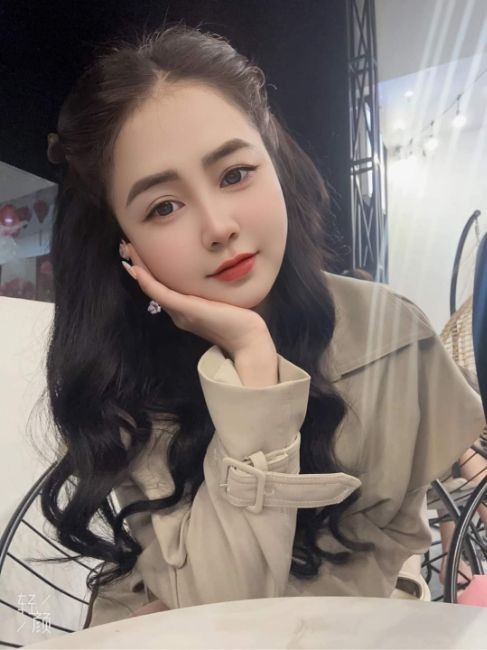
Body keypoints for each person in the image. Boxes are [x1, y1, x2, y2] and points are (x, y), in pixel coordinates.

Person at [38, 23, 484, 628]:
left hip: (362, 625)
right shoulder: (128, 377)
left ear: (277, 166)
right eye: (163, 207)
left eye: (234, 174)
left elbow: (419, 516)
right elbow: (221, 612)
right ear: (124, 244)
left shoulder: (388, 331)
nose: (218, 226)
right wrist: (251, 362)